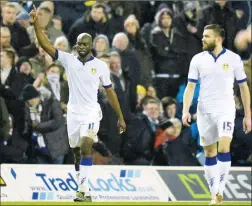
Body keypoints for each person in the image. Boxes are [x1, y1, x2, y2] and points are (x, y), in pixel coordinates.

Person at [29, 5, 126, 202]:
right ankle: (79, 169)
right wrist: (36, 25)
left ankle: (84, 191)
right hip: (73, 113)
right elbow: (46, 45)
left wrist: (120, 117)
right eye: (79, 44)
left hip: (91, 113)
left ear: (91, 46)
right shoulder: (68, 60)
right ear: (76, 45)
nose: (81, 47)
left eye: (85, 44)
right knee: (77, 150)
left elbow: (110, 91)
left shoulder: (100, 66)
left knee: (86, 146)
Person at [182, 24, 251, 205]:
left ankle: (219, 191)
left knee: (223, 147)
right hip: (204, 110)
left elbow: (244, 87)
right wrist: (185, 110)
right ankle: (214, 195)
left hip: (226, 109)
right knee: (210, 152)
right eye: (203, 35)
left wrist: (248, 115)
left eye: (207, 36)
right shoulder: (197, 60)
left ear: (218, 39)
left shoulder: (233, 59)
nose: (203, 39)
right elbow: (190, 87)